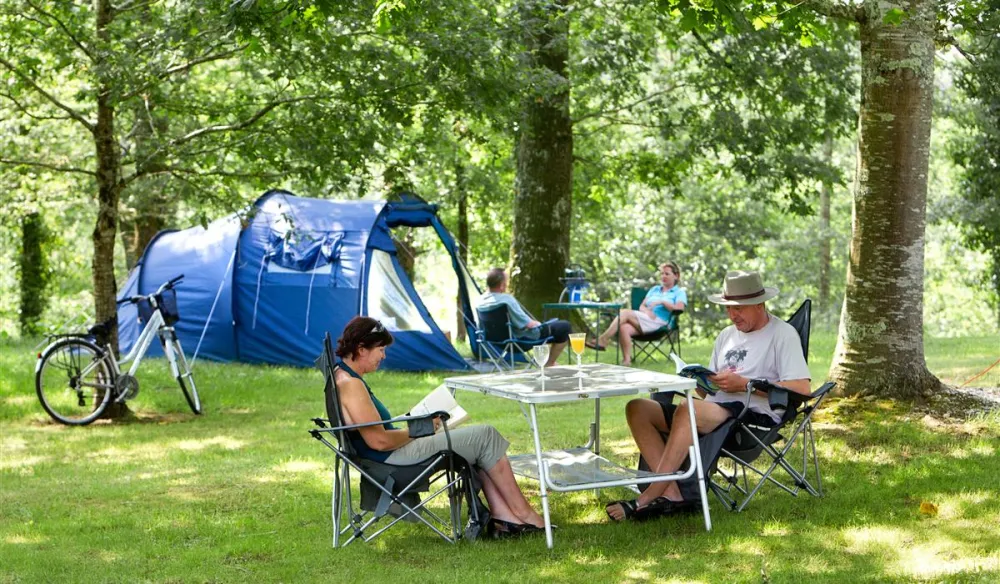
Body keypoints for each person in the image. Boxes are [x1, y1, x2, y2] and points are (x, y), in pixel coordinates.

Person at [605, 270, 811, 521]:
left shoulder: (783, 334)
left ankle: (648, 496)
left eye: (739, 308)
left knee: (687, 408)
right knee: (637, 407)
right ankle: (672, 492)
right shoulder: (726, 335)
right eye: (728, 308)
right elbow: (709, 391)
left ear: (759, 304)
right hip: (715, 407)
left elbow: (802, 389)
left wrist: (744, 385)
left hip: (750, 415)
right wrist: (700, 381)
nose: (733, 315)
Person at [334, 316, 546, 537]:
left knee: (475, 444)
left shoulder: (341, 375)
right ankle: (526, 514)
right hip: (392, 461)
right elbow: (379, 441)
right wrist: (419, 429)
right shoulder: (352, 384)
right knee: (486, 436)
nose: (383, 356)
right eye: (381, 349)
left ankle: (505, 518)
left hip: (385, 457)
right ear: (361, 349)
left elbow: (375, 432)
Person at [587, 261, 687, 367]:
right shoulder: (655, 289)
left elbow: (679, 308)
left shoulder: (679, 292)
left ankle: (603, 339)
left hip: (661, 323)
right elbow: (642, 306)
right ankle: (626, 360)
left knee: (624, 313)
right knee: (624, 327)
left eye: (667, 274)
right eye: (662, 273)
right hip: (646, 319)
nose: (663, 276)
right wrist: (647, 311)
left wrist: (663, 302)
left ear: (676, 276)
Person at [478, 267, 571, 366]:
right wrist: (539, 324)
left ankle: (543, 359)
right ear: (501, 285)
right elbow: (528, 324)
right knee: (564, 327)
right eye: (506, 281)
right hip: (519, 341)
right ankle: (549, 363)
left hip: (496, 342)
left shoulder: (480, 301)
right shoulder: (506, 300)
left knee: (553, 325)